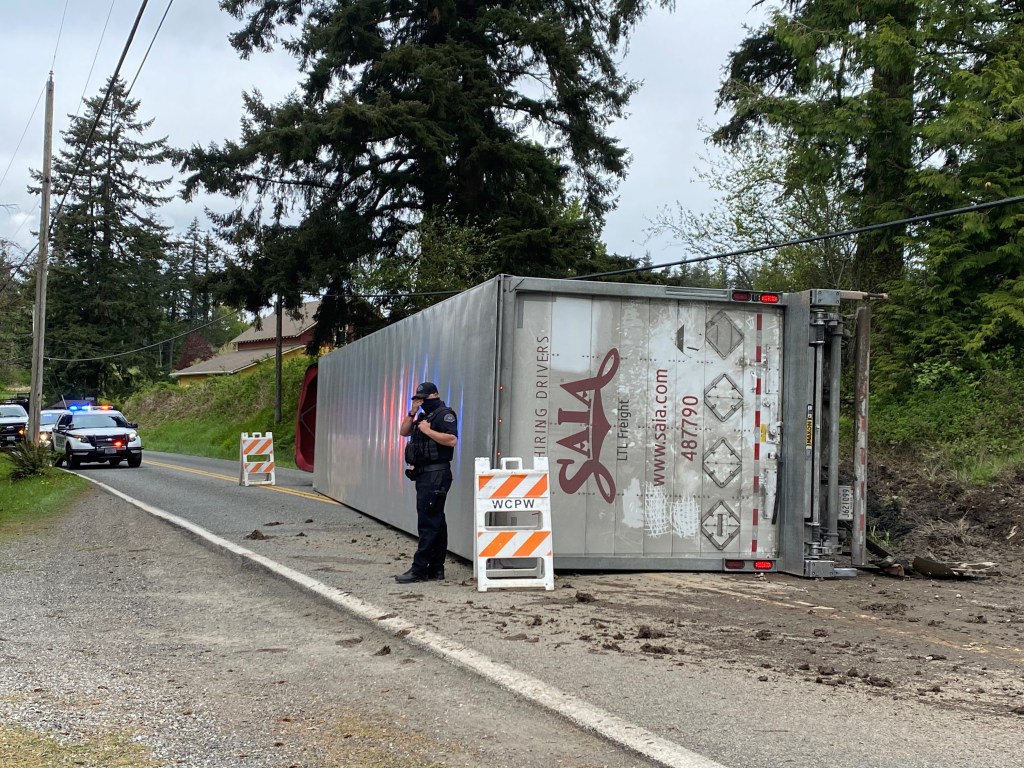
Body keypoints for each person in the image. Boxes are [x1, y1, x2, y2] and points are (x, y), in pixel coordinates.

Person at [395, 381, 458, 584]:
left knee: (428, 523)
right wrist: (412, 412)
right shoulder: (421, 416)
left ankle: (419, 569)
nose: (421, 403)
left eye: (424, 399)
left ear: (434, 396)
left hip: (436, 474)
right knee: (437, 522)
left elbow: (451, 440)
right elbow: (403, 432)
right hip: (424, 475)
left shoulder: (444, 414)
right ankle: (436, 569)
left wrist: (428, 430)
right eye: (418, 399)